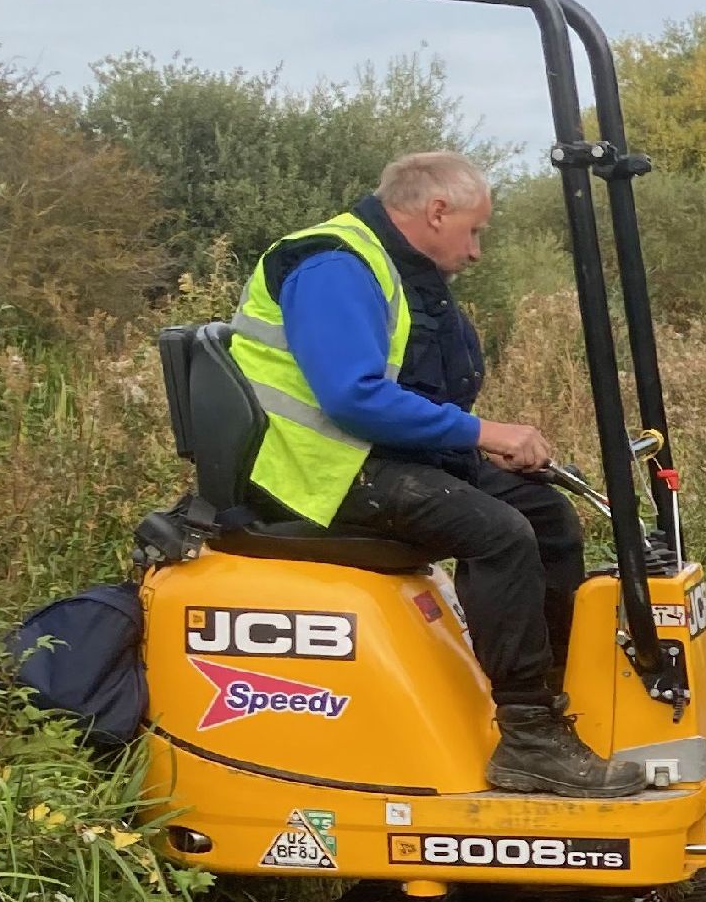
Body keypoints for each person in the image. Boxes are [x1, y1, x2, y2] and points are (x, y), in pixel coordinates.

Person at [234, 150, 641, 797]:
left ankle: (542, 708)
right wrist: (482, 433)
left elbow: (414, 389)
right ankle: (530, 743)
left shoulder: (401, 270)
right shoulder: (336, 266)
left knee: (548, 518)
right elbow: (352, 398)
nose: (476, 250)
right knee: (500, 532)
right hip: (317, 472)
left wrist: (474, 446)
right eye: (474, 230)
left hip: (373, 457)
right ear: (436, 211)